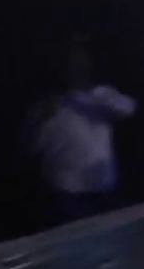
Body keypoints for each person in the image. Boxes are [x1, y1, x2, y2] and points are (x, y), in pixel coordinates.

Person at [31, 45, 137, 225]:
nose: (79, 67)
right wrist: (36, 119)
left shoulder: (102, 94)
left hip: (104, 188)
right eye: (73, 63)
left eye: (82, 62)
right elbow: (31, 146)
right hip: (68, 193)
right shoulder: (47, 105)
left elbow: (129, 109)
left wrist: (86, 98)